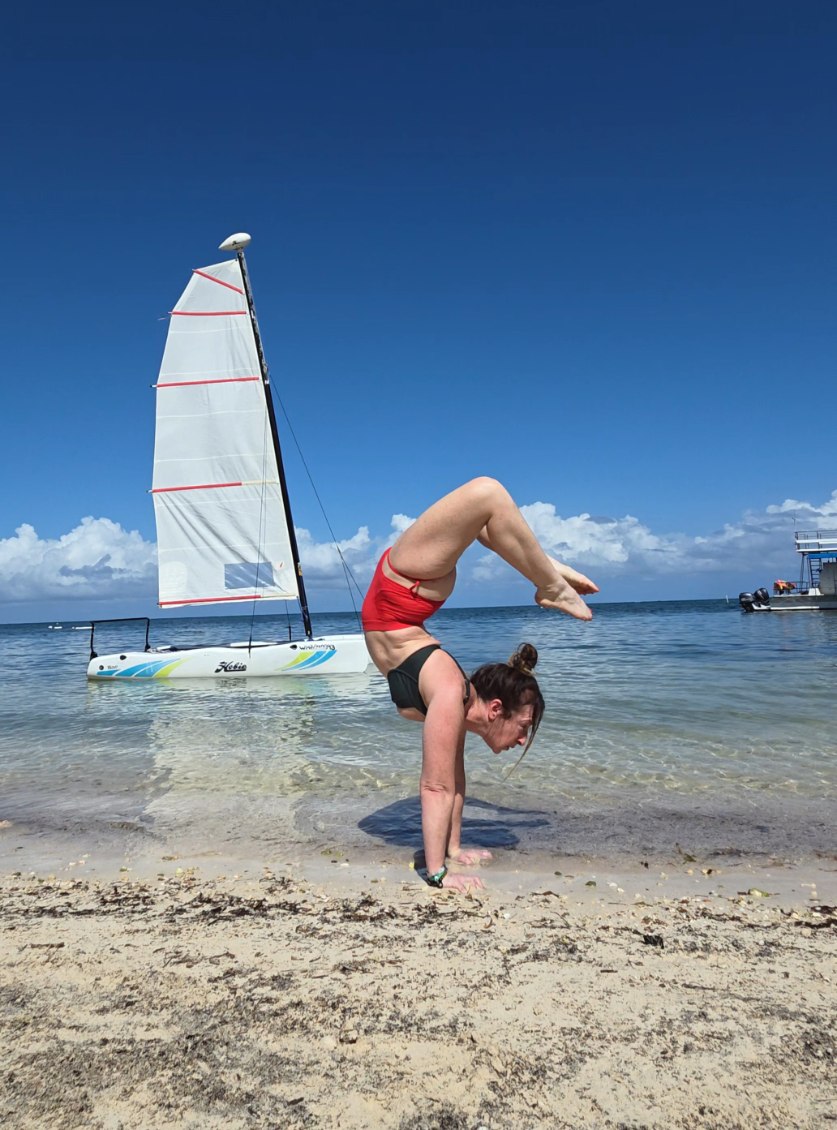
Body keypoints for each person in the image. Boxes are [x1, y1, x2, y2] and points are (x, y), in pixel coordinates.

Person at [361, 477, 598, 892]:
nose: (522, 740)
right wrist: (438, 874)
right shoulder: (451, 691)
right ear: (495, 709)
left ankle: (544, 569)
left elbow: (453, 782)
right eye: (523, 727)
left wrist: (454, 850)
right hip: (403, 586)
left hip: (405, 592)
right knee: (488, 494)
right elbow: (434, 786)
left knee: (485, 523)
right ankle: (549, 582)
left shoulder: (453, 703)